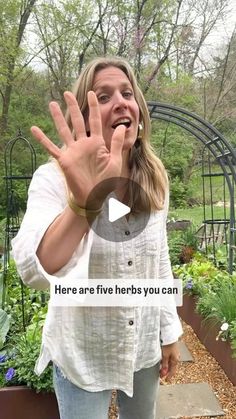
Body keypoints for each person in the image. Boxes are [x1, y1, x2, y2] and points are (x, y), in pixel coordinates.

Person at [12, 56, 183, 419]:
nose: (121, 101)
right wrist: (82, 204)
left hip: (142, 346)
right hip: (82, 353)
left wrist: (170, 331)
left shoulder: (154, 178)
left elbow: (160, 260)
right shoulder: (54, 179)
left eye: (126, 93)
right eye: (103, 97)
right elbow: (35, 271)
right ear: (85, 119)